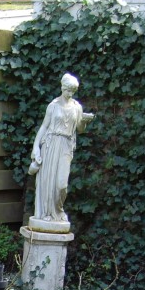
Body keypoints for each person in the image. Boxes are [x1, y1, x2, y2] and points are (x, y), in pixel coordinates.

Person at [29, 73, 95, 225]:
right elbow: (44, 126)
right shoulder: (53, 105)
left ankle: (58, 211)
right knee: (48, 182)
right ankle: (47, 213)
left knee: (61, 185)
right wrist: (36, 147)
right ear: (62, 88)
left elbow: (80, 129)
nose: (70, 94)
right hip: (50, 144)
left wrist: (84, 121)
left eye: (72, 91)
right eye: (67, 90)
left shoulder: (77, 107)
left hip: (66, 145)